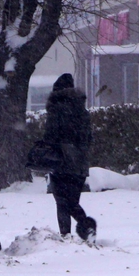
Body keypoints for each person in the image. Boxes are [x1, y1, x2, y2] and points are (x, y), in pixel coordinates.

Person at [42, 73, 95, 240]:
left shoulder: (56, 109)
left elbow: (50, 136)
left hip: (60, 162)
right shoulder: (82, 110)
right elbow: (88, 138)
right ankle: (86, 228)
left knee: (61, 202)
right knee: (72, 201)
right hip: (79, 164)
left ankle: (67, 235)